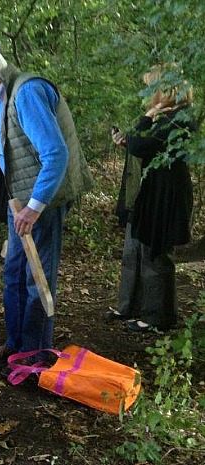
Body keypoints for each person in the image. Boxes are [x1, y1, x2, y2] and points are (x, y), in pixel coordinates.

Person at [0, 43, 93, 361]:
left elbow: (56, 153)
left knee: (37, 278)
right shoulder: (1, 98)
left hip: (39, 203)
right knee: (14, 273)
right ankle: (16, 344)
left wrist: (34, 207)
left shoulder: (28, 92)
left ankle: (35, 354)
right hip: (19, 202)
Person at [110, 65, 196, 332]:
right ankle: (132, 307)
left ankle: (158, 316)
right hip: (150, 190)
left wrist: (147, 117)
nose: (147, 93)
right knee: (137, 248)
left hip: (165, 193)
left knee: (156, 251)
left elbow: (140, 143)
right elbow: (139, 142)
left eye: (151, 87)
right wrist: (133, 136)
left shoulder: (179, 119)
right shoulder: (166, 116)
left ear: (164, 91)